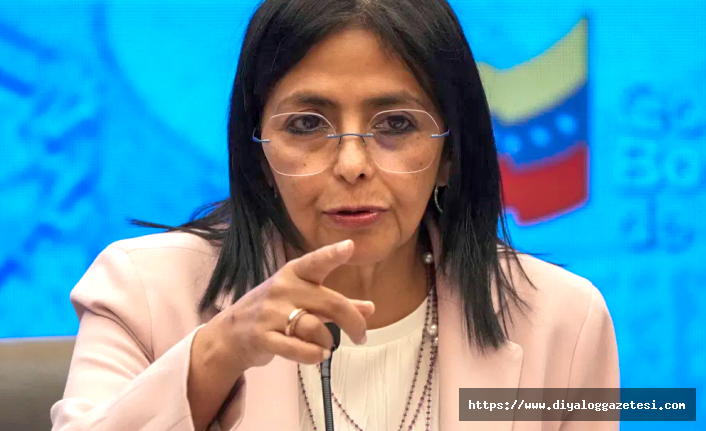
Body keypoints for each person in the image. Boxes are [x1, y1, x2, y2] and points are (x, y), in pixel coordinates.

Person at [50, 0, 619, 430]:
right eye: (306, 125)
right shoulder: (145, 292)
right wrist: (217, 354)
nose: (352, 165)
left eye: (396, 124)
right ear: (258, 154)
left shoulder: (562, 321)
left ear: (450, 154)